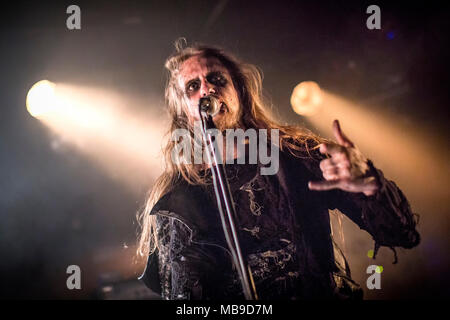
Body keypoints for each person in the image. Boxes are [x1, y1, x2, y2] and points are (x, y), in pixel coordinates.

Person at [137, 41, 420, 300]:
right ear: (183, 110)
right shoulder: (179, 201)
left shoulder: (296, 155)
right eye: (192, 87)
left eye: (216, 78)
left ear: (238, 89)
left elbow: (402, 233)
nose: (207, 89)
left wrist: (370, 183)